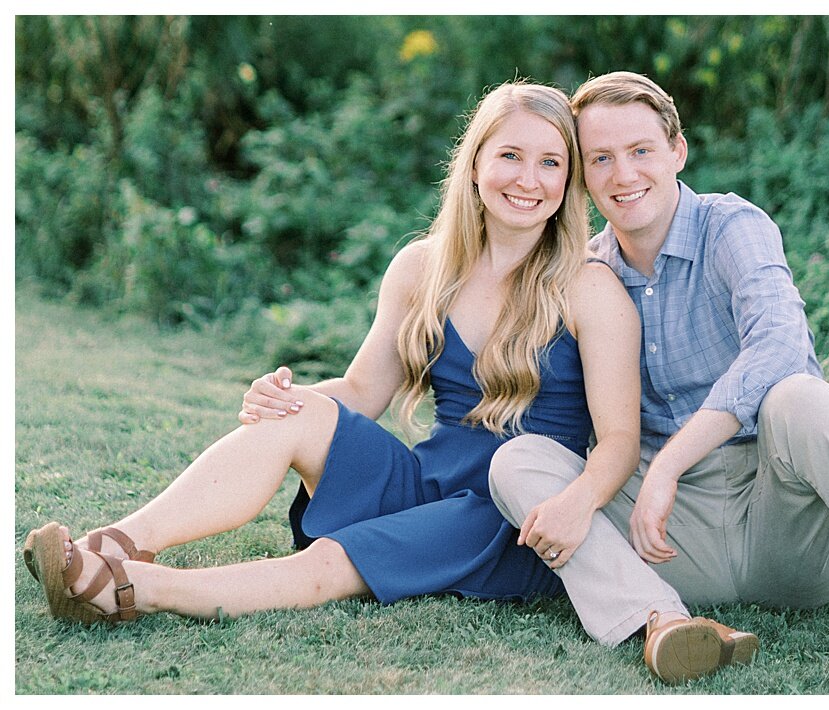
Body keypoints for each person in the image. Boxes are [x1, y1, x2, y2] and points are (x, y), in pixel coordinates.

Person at [22, 80, 642, 627]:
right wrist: (284, 400)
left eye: (550, 162)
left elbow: (618, 439)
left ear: (570, 180)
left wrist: (576, 506)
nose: (528, 179)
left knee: (334, 561)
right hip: (429, 482)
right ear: (475, 162)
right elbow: (363, 392)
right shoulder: (421, 268)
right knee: (294, 415)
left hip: (511, 519)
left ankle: (138, 591)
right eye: (510, 155)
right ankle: (121, 542)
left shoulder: (588, 288)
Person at [487, 71, 829, 691]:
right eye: (601, 158)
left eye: (641, 151)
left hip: (784, 522)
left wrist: (669, 464)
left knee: (803, 397)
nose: (623, 175)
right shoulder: (588, 272)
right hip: (673, 542)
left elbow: (781, 345)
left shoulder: (730, 226)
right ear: (583, 174)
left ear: (677, 151)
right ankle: (665, 624)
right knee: (517, 462)